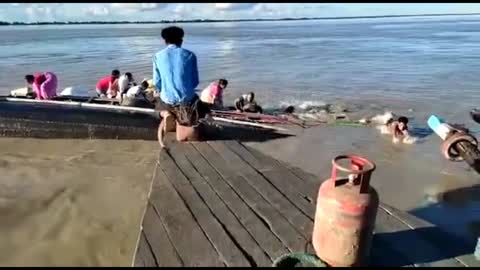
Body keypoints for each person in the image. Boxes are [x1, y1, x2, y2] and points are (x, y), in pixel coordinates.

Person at [152, 26, 208, 148]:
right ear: (181, 40)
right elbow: (195, 81)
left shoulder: (157, 56)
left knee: (158, 105)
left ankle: (165, 114)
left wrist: (166, 90)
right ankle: (185, 120)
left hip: (167, 98)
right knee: (199, 105)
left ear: (165, 41)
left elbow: (157, 82)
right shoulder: (190, 55)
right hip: (187, 99)